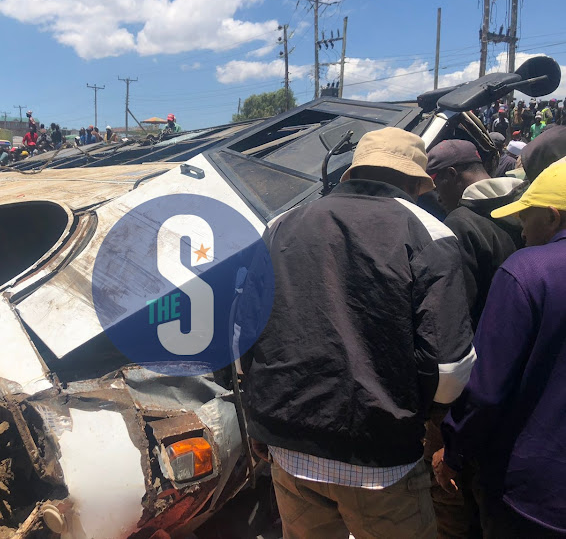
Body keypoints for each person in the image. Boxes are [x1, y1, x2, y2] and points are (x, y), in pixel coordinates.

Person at [242, 128, 474, 539]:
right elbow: (449, 368)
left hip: (290, 449)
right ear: (419, 183)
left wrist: (261, 423)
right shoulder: (430, 232)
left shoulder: (281, 225)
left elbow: (247, 334)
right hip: (380, 460)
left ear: (352, 172)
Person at [435, 161, 566, 538]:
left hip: (534, 497)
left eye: (526, 218)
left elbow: (486, 391)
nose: (522, 231)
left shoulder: (527, 272)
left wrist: (454, 452)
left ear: (553, 217)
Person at [427, 139, 524, 328]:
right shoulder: (526, 198)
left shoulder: (460, 223)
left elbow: (460, 307)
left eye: (436, 184)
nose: (437, 196)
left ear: (451, 174)